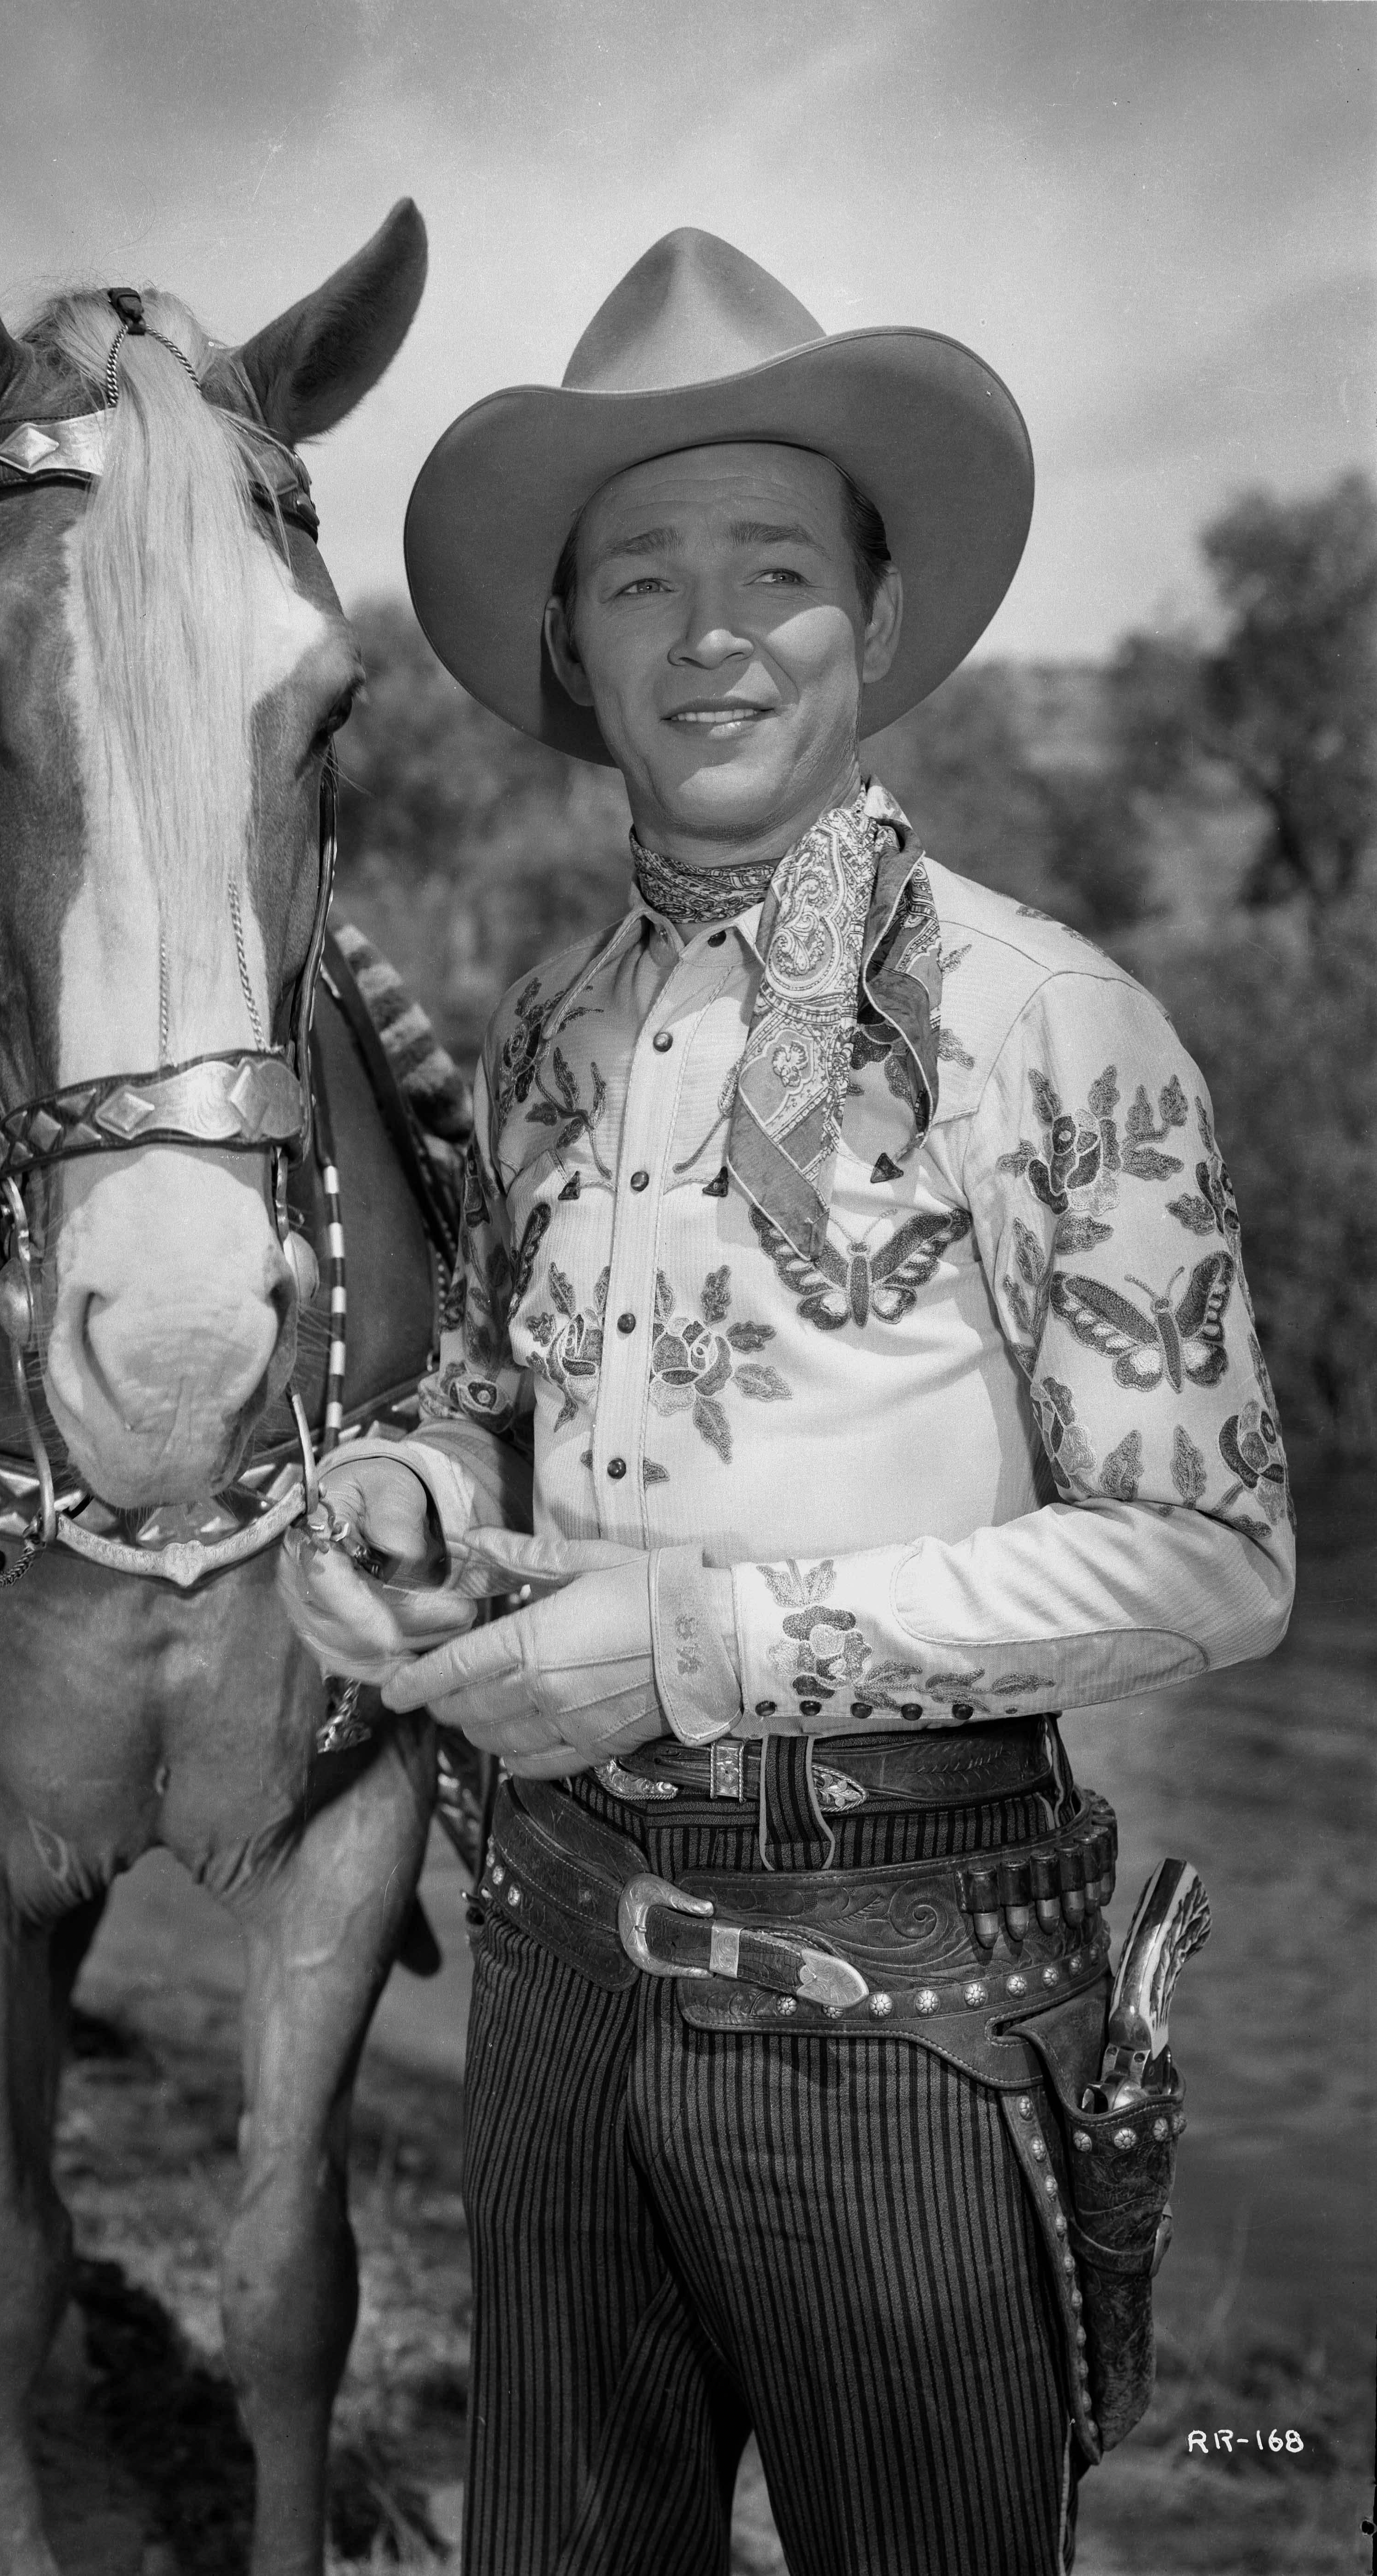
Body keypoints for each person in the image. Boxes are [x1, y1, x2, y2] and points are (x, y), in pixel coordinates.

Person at [277, 230, 1294, 2576]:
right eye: (646, 577)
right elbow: (496, 1395)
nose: (711, 627)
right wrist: (415, 1494)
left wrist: (708, 1641)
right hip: (547, 1981)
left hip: (907, 2006)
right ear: (571, 645)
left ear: (876, 614)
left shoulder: (1060, 1028)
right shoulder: (540, 1038)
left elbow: (1217, 1560)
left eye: (771, 569)